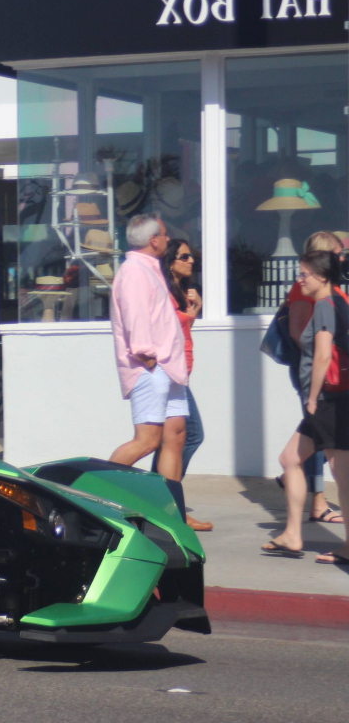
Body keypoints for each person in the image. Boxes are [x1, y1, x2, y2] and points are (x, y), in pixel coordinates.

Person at [262, 250, 349, 559]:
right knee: (290, 459)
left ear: (321, 276)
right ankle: (292, 535)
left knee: (342, 474)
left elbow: (323, 355)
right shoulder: (341, 300)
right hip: (332, 400)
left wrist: (311, 398)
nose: (300, 280)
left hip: (327, 401)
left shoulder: (326, 306)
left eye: (304, 274)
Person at [107, 214, 189, 483]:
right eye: (164, 235)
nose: (168, 239)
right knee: (147, 441)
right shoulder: (134, 271)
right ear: (154, 240)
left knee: (175, 435)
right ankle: (96, 494)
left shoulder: (148, 268)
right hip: (151, 367)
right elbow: (136, 319)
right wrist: (149, 360)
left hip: (166, 367)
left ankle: (170, 510)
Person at [150, 239, 212, 532]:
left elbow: (182, 332)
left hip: (179, 373)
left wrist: (194, 311)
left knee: (170, 441)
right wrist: (191, 312)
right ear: (171, 261)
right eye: (185, 256)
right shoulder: (164, 292)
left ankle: (157, 501)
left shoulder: (178, 292)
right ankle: (165, 502)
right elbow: (167, 332)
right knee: (187, 437)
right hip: (169, 373)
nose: (191, 261)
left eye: (192, 256)